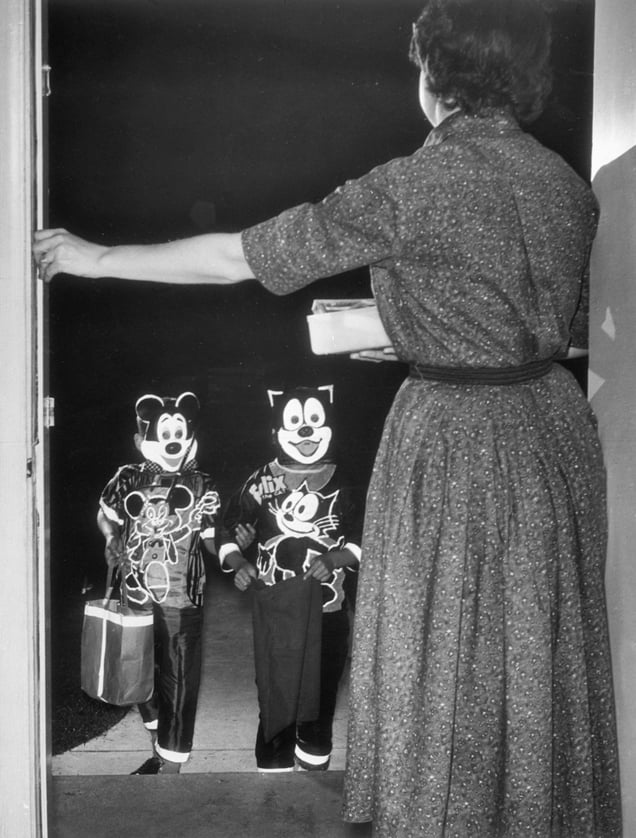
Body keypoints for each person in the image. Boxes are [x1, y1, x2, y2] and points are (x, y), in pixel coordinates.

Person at [34, 0, 622, 832]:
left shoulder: (413, 184)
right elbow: (554, 324)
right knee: (533, 638)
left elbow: (242, 256)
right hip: (550, 434)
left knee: (437, 642)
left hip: (456, 434)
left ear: (436, 74)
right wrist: (429, 334)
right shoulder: (566, 186)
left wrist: (95, 259)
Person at [218, 384, 361, 772]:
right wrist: (238, 561)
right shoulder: (263, 479)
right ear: (276, 431)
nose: (305, 432)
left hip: (327, 611)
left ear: (329, 425)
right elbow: (228, 528)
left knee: (320, 693)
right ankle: (274, 782)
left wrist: (336, 557)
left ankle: (313, 774)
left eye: (314, 421)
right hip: (277, 608)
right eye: (295, 423)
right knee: (276, 693)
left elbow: (367, 535)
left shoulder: (343, 481)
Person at [97, 391, 220, 774]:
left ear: (191, 434)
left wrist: (234, 552)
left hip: (183, 597)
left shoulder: (202, 482)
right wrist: (110, 537)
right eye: (164, 431)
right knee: (138, 670)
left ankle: (171, 764)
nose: (172, 438)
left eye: (179, 430)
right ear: (142, 439)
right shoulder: (127, 477)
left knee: (180, 679)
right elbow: (106, 515)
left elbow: (214, 534)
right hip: (135, 592)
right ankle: (158, 742)